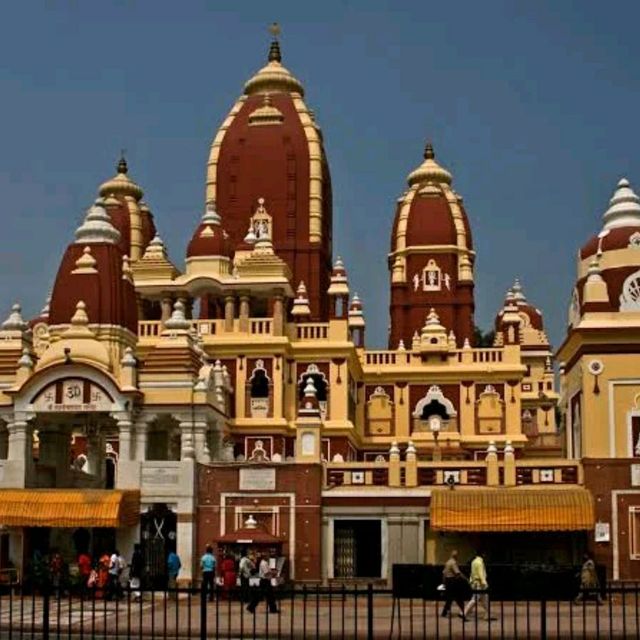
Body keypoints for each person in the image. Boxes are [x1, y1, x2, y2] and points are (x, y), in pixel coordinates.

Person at [463, 551, 496, 621]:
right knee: (475, 599)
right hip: (480, 584)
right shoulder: (480, 562)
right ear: (482, 554)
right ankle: (464, 613)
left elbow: (472, 573)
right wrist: (485, 583)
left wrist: (471, 581)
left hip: (475, 583)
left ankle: (488, 615)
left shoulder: (473, 562)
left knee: (485, 599)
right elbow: (481, 574)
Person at [440, 550, 467, 620]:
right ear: (456, 556)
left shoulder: (448, 562)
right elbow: (458, 573)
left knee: (450, 598)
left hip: (448, 581)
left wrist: (444, 583)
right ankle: (464, 611)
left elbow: (444, 574)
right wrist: (465, 579)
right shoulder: (453, 563)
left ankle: (445, 612)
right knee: (458, 597)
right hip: (452, 581)